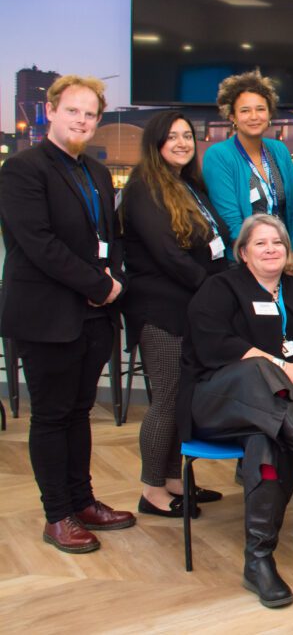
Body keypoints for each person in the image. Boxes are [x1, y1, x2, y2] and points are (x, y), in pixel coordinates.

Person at [179, 214, 293, 608]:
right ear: (243, 253)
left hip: (276, 412)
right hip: (217, 403)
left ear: (287, 250)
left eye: (278, 242)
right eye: (260, 243)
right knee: (256, 371)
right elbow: (220, 345)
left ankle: (259, 560)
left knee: (267, 440)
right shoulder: (220, 288)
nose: (270, 249)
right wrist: (286, 369)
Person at [0, 75, 136, 553]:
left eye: (90, 114)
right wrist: (99, 286)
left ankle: (83, 501)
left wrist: (115, 280)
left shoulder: (95, 171)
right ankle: (57, 515)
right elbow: (39, 244)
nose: (82, 120)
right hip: (48, 316)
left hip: (93, 316)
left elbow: (111, 237)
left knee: (80, 412)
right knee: (52, 416)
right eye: (73, 111)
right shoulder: (22, 169)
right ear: (51, 112)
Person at [119, 111, 231, 518]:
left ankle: (172, 479)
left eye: (187, 135)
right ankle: (151, 491)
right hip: (161, 310)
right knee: (166, 399)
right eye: (173, 137)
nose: (183, 143)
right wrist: (214, 291)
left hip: (190, 307)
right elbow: (167, 254)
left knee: (182, 397)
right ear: (156, 143)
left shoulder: (187, 185)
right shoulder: (143, 188)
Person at [202, 69, 293, 270]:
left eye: (260, 109)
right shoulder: (219, 155)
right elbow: (231, 221)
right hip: (243, 261)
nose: (254, 116)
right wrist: (265, 258)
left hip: (285, 258)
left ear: (269, 113)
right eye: (245, 111)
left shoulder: (279, 150)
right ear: (232, 116)